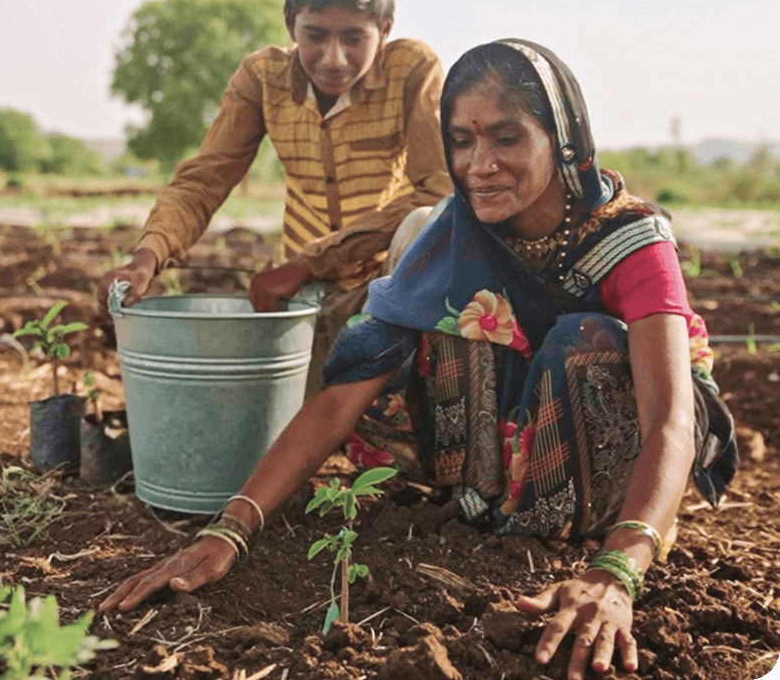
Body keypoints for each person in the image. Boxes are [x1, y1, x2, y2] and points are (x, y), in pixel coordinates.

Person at [99, 40, 738, 680]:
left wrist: (618, 570)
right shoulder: (458, 231)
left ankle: (569, 528)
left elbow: (670, 421)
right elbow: (343, 397)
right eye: (461, 141)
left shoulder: (632, 241)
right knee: (444, 321)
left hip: (615, 466)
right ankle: (487, 505)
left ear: (564, 140)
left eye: (507, 138)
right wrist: (230, 529)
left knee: (583, 337)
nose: (480, 165)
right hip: (512, 453)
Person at [96, 0, 453, 394]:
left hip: (386, 286)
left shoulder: (413, 70)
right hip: (304, 296)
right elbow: (203, 182)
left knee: (427, 221)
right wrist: (147, 256)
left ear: (384, 30)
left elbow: (437, 189)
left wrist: (311, 261)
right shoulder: (263, 79)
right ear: (290, 23)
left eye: (353, 38)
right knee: (287, 413)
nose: (333, 58)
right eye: (315, 35)